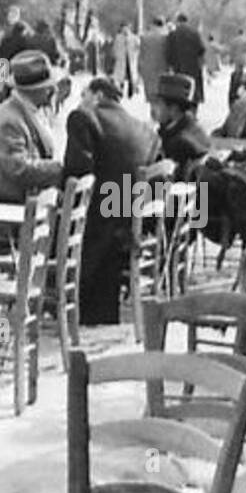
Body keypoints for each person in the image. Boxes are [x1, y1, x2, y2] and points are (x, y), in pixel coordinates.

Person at [63, 76, 161, 325]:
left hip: (97, 229)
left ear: (97, 95)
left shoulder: (84, 117)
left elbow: (76, 174)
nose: (81, 100)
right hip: (130, 225)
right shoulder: (145, 130)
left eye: (83, 94)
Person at [0, 50, 64, 205]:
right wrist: (60, 169)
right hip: (1, 208)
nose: (54, 91)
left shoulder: (30, 111)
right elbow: (18, 168)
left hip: (21, 202)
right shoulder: (7, 121)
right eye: (49, 87)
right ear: (37, 90)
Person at [149, 72, 211, 180]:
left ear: (173, 109)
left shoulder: (179, 143)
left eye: (159, 104)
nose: (154, 109)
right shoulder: (195, 129)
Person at [164, 12, 206, 104]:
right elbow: (202, 49)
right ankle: (193, 109)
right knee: (193, 89)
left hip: (178, 67)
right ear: (187, 21)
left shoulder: (172, 35)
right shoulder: (195, 33)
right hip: (193, 66)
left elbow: (168, 52)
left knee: (180, 90)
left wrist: (170, 65)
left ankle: (182, 107)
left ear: (178, 22)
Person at [136, 16, 169, 100]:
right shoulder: (166, 37)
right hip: (162, 67)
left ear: (153, 25)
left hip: (148, 68)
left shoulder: (145, 37)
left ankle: (153, 109)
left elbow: (141, 54)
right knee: (161, 94)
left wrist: (139, 68)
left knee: (150, 94)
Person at [110, 22, 139, 98]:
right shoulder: (118, 37)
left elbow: (138, 47)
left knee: (130, 76)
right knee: (121, 78)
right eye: (123, 28)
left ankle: (130, 92)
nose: (125, 30)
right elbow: (115, 48)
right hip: (121, 59)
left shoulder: (134, 38)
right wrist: (116, 55)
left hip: (130, 60)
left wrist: (135, 55)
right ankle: (120, 91)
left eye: (126, 28)